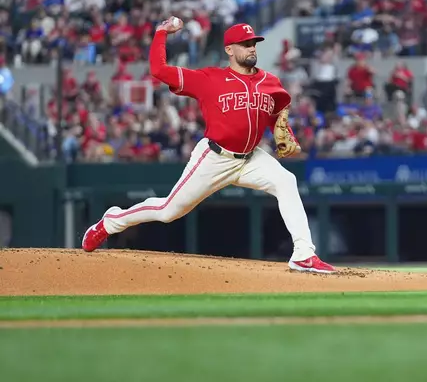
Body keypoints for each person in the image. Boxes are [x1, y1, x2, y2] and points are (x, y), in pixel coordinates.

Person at [82, 17, 335, 274]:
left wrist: (284, 133)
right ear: (229, 50)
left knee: (286, 181)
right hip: (215, 156)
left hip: (251, 159)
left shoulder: (271, 82)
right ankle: (113, 221)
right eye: (245, 44)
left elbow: (277, 113)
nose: (251, 48)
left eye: (253, 43)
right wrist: (160, 33)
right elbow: (159, 70)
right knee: (169, 210)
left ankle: (304, 254)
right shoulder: (209, 79)